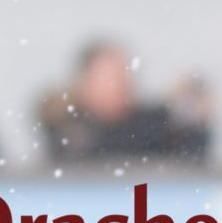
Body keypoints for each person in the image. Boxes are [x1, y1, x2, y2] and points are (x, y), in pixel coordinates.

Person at [38, 41, 211, 164]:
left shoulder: (151, 122)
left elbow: (191, 155)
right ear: (85, 82)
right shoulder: (68, 123)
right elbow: (93, 153)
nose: (121, 84)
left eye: (124, 75)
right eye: (110, 77)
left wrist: (192, 120)